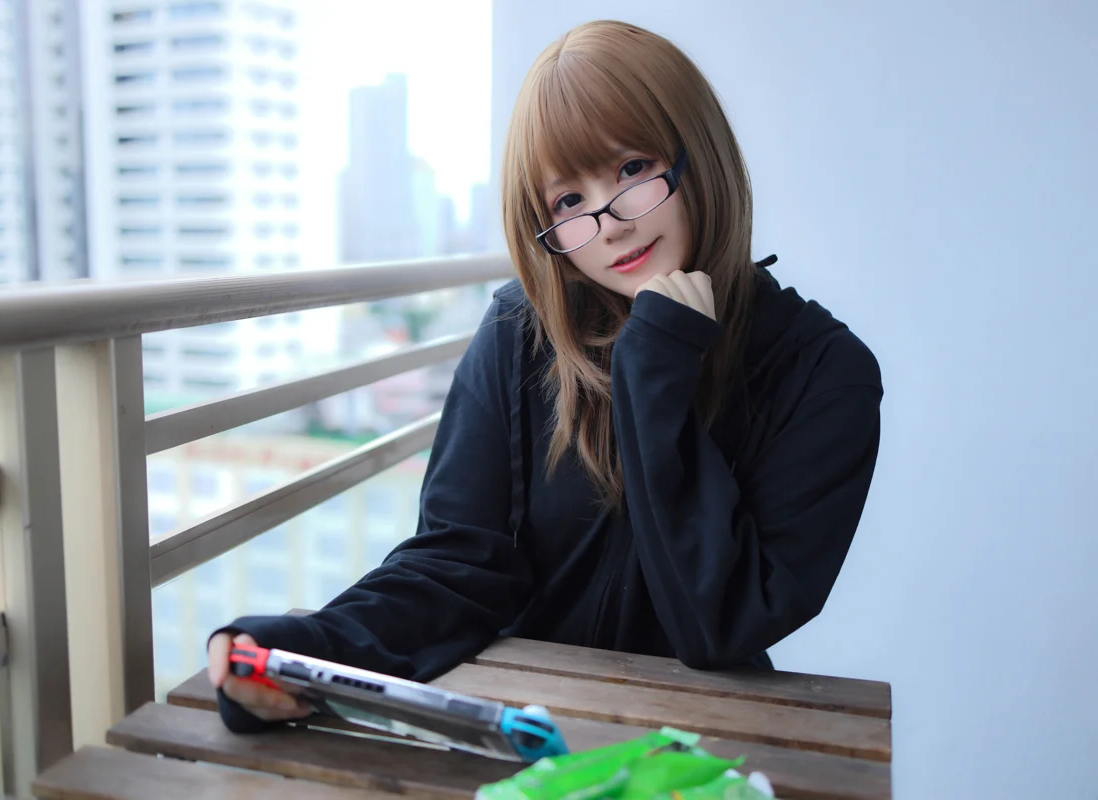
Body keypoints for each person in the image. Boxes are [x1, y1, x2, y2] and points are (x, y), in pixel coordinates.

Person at [206, 19, 883, 730]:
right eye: (568, 202)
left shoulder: (824, 373)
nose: (609, 223)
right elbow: (457, 567)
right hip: (526, 736)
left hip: (700, 746)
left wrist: (655, 371)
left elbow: (720, 624)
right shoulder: (520, 331)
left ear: (700, 153)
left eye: (632, 169)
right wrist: (306, 652)